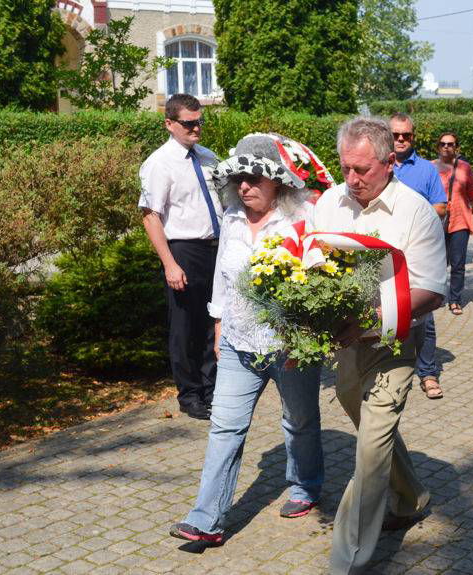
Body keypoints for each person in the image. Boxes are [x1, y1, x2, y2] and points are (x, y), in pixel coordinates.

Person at [169, 134, 324, 545]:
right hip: (239, 342)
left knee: (299, 421)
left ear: (279, 183)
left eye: (255, 178)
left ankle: (306, 485)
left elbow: (321, 281)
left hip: (289, 345)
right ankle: (207, 519)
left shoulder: (302, 220)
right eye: (240, 177)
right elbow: (223, 276)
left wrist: (306, 337)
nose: (245, 186)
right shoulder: (232, 219)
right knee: (225, 427)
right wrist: (218, 327)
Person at [315, 117, 446, 574]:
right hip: (344, 347)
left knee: (370, 453)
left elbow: (433, 291)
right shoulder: (331, 201)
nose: (351, 179)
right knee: (376, 436)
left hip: (393, 346)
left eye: (362, 170)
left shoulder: (416, 212)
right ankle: (411, 498)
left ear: (390, 163)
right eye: (345, 167)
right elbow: (310, 263)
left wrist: (370, 319)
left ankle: (348, 560)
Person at [139, 94, 221, 420]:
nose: (196, 128)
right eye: (188, 123)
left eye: (199, 121)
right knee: (185, 326)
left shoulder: (209, 157)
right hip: (184, 250)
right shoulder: (159, 163)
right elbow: (150, 216)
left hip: (215, 249)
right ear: (170, 124)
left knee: (213, 321)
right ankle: (190, 396)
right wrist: (169, 263)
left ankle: (212, 388)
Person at [389, 113, 446, 400]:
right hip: (383, 253)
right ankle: (385, 369)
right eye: (396, 135)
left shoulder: (426, 170)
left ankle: (428, 372)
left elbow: (441, 207)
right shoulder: (379, 166)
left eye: (406, 135)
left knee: (424, 315)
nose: (400, 140)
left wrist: (411, 216)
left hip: (417, 252)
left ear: (414, 137)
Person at [432, 132, 473, 316]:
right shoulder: (430, 167)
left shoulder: (465, 168)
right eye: (443, 144)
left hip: (460, 219)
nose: (447, 147)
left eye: (451, 144)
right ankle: (435, 296)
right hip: (436, 220)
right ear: (438, 147)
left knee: (458, 263)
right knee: (437, 262)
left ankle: (455, 300)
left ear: (456, 147)